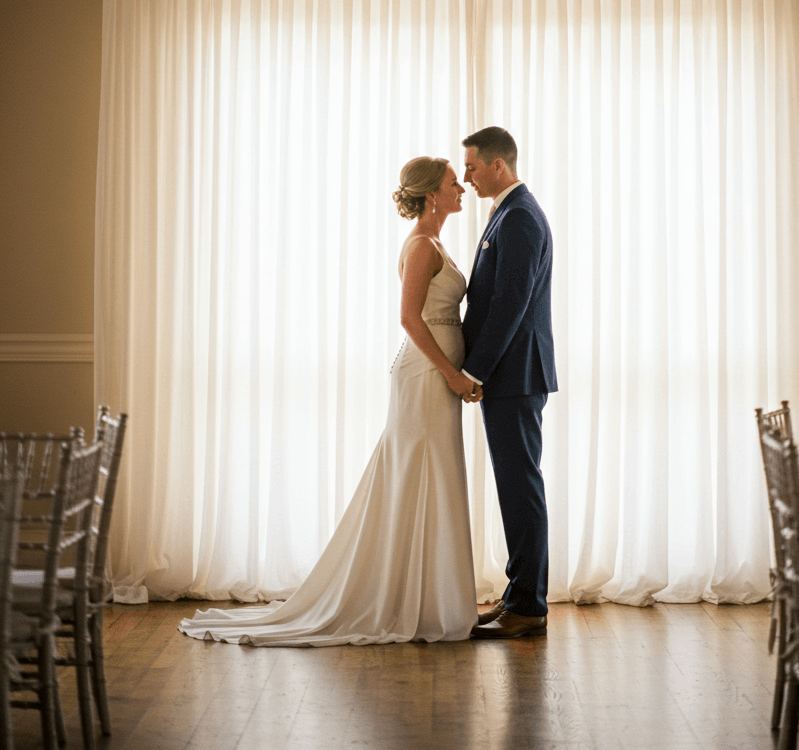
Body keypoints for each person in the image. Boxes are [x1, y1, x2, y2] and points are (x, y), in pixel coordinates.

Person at [178, 156, 480, 647]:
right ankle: (403, 601)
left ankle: (430, 599)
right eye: (452, 183)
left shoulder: (437, 242)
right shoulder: (423, 245)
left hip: (436, 376)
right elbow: (408, 318)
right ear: (431, 195)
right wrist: (450, 373)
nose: (461, 189)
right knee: (418, 475)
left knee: (435, 476)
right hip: (426, 375)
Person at [461, 127, 556, 640]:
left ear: (498, 165)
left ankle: (528, 607)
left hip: (515, 374)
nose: (468, 177)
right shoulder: (508, 211)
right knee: (515, 486)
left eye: (473, 167)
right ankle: (518, 595)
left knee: (521, 487)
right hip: (511, 374)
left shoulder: (518, 216)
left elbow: (510, 303)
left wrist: (475, 370)